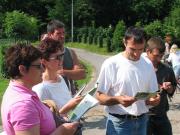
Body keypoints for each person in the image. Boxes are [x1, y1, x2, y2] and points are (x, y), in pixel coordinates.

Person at [1, 43, 79, 135]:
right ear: (22, 69)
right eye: (38, 66)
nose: (43, 69)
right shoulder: (23, 106)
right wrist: (62, 131)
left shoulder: (19, 90)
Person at [96, 26, 160, 135]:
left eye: (141, 49)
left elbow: (153, 94)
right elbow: (99, 97)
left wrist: (154, 100)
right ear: (124, 43)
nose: (137, 54)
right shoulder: (111, 64)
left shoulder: (148, 64)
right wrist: (117, 99)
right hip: (119, 124)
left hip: (142, 121)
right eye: (133, 49)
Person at [33, 38, 82, 114]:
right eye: (57, 57)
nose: (61, 60)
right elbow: (47, 121)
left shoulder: (60, 78)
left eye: (62, 55)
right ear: (44, 61)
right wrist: (68, 107)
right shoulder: (41, 88)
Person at [145, 37, 177, 135]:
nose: (159, 58)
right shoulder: (139, 69)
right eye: (156, 55)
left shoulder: (167, 69)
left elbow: (172, 91)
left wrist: (170, 88)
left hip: (161, 114)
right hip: (144, 116)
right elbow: (133, 94)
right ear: (147, 52)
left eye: (162, 55)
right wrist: (151, 94)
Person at [46, 19, 86, 96]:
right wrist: (71, 73)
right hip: (51, 98)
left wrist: (63, 72)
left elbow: (82, 74)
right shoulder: (44, 54)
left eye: (63, 33)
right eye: (58, 33)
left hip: (69, 96)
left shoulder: (71, 52)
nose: (62, 36)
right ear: (50, 34)